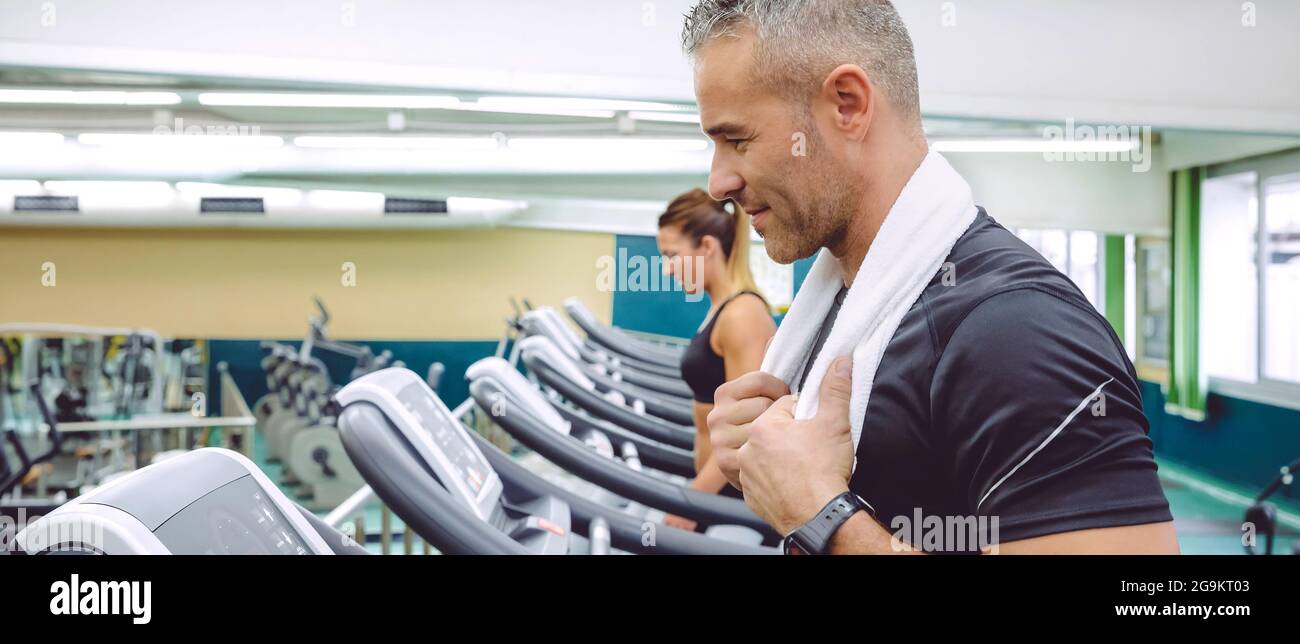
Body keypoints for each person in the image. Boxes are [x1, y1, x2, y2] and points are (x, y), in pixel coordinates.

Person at [683, 0, 1178, 553]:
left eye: (737, 139)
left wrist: (822, 516)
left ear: (847, 105)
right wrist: (765, 458)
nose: (718, 181)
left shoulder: (1017, 330)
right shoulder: (848, 306)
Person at [655, 188, 776, 531]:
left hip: (730, 501)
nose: (667, 270)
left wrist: (693, 502)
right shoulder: (720, 309)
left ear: (706, 247)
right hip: (714, 494)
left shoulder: (742, 314)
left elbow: (747, 431)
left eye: (672, 255)